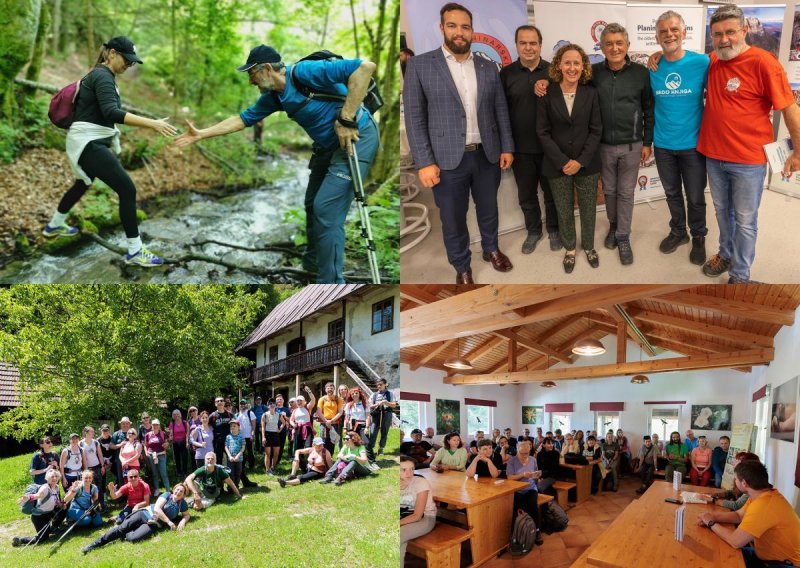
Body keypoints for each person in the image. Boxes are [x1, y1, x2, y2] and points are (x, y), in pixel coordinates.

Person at [174, 45, 379, 284]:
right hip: (327, 147)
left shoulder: (305, 72)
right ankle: (312, 265)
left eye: (252, 73)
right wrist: (201, 134)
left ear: (268, 68)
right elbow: (243, 119)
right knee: (312, 204)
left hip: (357, 138)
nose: (250, 81)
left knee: (326, 209)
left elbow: (365, 68)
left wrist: (346, 117)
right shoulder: (274, 97)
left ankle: (330, 283)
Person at [403, 2, 515, 284]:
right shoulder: (420, 65)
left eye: (465, 26)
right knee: (453, 218)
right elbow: (415, 118)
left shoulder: (488, 66)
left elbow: (500, 109)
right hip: (446, 160)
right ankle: (461, 265)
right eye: (452, 25)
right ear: (442, 28)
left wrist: (506, 147)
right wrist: (425, 162)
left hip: (486, 155)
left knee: (489, 208)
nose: (459, 32)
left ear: (472, 31)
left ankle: (491, 249)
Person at [42, 36, 176, 266]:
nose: (129, 65)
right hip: (89, 143)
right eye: (127, 59)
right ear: (112, 53)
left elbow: (104, 112)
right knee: (127, 189)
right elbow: (112, 112)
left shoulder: (101, 75)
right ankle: (135, 251)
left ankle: (54, 225)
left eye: (132, 63)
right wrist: (152, 123)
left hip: (89, 142)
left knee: (83, 183)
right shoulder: (102, 76)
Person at [695, 5, 800, 282]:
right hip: (713, 155)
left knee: (745, 220)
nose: (723, 39)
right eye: (717, 34)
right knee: (721, 212)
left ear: (745, 30)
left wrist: (799, 152)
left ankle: (740, 274)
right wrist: (658, 56)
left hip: (748, 160)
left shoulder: (764, 62)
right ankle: (726, 254)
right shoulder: (713, 61)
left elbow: (789, 108)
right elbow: (681, 62)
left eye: (730, 32)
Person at [650, 10, 709, 265]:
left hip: (693, 145)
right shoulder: (652, 67)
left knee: (695, 197)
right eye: (663, 31)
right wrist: (655, 57)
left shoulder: (702, 62)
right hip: (663, 144)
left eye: (674, 29)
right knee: (672, 193)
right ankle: (678, 232)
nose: (669, 34)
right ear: (657, 36)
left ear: (684, 33)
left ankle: (698, 236)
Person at [537, 43, 602, 273]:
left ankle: (589, 246)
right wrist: (563, 161)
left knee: (588, 208)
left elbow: (596, 130)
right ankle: (570, 249)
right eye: (567, 62)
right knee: (564, 209)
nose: (572, 67)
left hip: (587, 163)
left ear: (583, 66)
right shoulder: (547, 93)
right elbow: (542, 132)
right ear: (559, 65)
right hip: (557, 165)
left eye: (576, 63)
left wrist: (580, 161)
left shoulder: (591, 92)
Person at [592, 23, 654, 265]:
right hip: (603, 145)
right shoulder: (593, 72)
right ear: (602, 46)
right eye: (609, 43)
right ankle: (613, 226)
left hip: (632, 145)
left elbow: (649, 109)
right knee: (609, 191)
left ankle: (623, 236)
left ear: (627, 45)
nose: (614, 47)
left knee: (626, 192)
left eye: (619, 43)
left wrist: (647, 141)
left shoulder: (641, 73)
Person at [500, 24, 560, 255]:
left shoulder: (554, 71)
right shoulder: (505, 74)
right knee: (526, 196)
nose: (528, 47)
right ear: (516, 45)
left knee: (553, 194)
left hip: (550, 148)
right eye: (523, 43)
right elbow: (501, 112)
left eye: (533, 43)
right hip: (520, 150)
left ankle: (554, 229)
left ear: (540, 45)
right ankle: (534, 231)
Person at [697, 460, 800, 567]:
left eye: (736, 479)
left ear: (744, 483)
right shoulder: (761, 494)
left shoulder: (764, 505)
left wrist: (710, 523)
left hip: (784, 564)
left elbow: (735, 541)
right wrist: (711, 516)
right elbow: (738, 515)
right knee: (718, 552)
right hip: (766, 557)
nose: (734, 481)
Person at [82, 483, 190, 554]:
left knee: (134, 538)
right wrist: (169, 522)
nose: (178, 492)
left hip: (154, 524)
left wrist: (183, 521)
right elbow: (157, 508)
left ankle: (125, 534)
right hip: (144, 514)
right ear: (174, 489)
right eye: (177, 489)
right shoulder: (167, 494)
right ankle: (93, 545)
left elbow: (187, 515)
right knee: (120, 529)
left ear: (184, 495)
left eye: (181, 491)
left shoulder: (182, 503)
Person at [12, 469, 67, 547]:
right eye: (52, 477)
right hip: (39, 517)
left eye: (56, 476)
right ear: (47, 478)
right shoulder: (45, 488)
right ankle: (20, 540)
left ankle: (53, 527)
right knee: (43, 538)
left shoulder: (56, 487)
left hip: (49, 513)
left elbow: (56, 500)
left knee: (63, 510)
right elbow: (37, 495)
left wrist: (61, 504)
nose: (54, 478)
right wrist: (27, 497)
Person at [505, 440, 545, 546]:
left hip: (531, 488)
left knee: (533, 506)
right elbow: (509, 478)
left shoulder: (532, 459)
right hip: (517, 490)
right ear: (517, 450)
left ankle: (537, 531)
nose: (525, 455)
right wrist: (523, 474)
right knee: (514, 508)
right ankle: (516, 533)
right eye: (522, 453)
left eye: (527, 453)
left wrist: (537, 477)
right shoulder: (512, 461)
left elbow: (535, 474)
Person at [400, 455, 437, 565]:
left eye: (412, 469)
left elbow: (417, 515)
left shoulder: (420, 482)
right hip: (403, 516)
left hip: (424, 518)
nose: (409, 473)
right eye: (403, 470)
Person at [290, 387, 318, 470]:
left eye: (300, 400)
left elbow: (313, 400)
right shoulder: (295, 411)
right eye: (297, 401)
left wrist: (309, 391)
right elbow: (291, 420)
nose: (299, 402)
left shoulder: (307, 408)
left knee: (308, 446)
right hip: (298, 429)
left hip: (307, 429)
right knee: (298, 448)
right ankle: (303, 466)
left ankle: (311, 464)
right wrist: (293, 425)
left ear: (304, 401)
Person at [367, 378, 396, 457]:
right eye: (378, 385)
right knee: (373, 431)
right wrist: (377, 405)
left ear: (385, 384)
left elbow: (394, 405)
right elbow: (369, 405)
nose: (379, 386)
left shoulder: (390, 394)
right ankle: (371, 448)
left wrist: (386, 402)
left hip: (387, 414)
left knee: (384, 432)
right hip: (376, 414)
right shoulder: (374, 394)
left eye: (381, 384)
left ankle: (381, 449)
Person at [80, 425, 105, 509]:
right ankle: (93, 507)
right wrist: (86, 470)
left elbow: (100, 455)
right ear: (86, 433)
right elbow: (83, 458)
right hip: (88, 469)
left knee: (99, 487)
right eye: (91, 432)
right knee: (90, 488)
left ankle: (103, 505)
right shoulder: (81, 443)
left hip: (97, 467)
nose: (93, 433)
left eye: (93, 432)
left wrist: (102, 466)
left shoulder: (95, 442)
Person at [144, 418, 170, 497]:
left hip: (161, 455)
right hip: (152, 456)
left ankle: (168, 490)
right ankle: (157, 489)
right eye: (153, 425)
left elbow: (166, 444)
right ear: (151, 426)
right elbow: (145, 445)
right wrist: (146, 453)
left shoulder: (163, 434)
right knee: (154, 473)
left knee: (163, 473)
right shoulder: (148, 435)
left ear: (159, 426)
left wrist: (166, 446)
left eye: (157, 425)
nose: (155, 426)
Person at [317, 382, 344, 455]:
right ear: (325, 389)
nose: (330, 390)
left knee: (332, 440)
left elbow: (340, 412)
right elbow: (319, 412)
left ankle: (330, 457)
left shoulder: (338, 399)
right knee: (323, 440)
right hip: (324, 423)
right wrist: (326, 421)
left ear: (334, 389)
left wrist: (331, 420)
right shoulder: (322, 399)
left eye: (331, 388)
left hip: (334, 423)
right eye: (328, 388)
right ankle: (323, 457)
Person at [209, 396, 233, 466]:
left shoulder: (230, 415)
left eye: (221, 400)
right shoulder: (212, 416)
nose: (220, 402)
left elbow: (236, 427)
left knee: (232, 458)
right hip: (217, 442)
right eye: (217, 401)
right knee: (218, 461)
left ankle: (235, 476)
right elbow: (205, 426)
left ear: (224, 403)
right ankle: (219, 476)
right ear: (215, 404)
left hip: (229, 441)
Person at [236, 400, 257, 475]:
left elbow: (254, 424)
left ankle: (252, 466)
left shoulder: (250, 413)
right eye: (241, 404)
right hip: (240, 436)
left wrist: (252, 433)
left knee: (250, 451)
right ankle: (243, 466)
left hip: (248, 436)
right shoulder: (238, 414)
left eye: (244, 404)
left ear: (246, 405)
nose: (242, 405)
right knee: (242, 452)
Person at [261, 400, 282, 475]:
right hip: (267, 434)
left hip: (275, 434)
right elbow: (263, 427)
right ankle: (267, 470)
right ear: (268, 406)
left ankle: (273, 468)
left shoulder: (278, 414)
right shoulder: (265, 415)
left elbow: (284, 423)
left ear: (275, 405)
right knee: (268, 454)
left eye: (273, 403)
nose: (272, 405)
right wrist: (263, 437)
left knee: (276, 453)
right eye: (270, 404)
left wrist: (280, 429)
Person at [167, 409, 190, 479]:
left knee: (184, 458)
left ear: (180, 414)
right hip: (175, 443)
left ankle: (185, 472)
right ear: (173, 416)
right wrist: (170, 437)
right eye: (174, 415)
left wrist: (187, 442)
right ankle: (179, 472)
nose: (176, 416)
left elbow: (187, 433)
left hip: (183, 442)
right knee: (177, 458)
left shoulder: (185, 423)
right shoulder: (172, 424)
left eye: (177, 414)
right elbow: (171, 434)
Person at [110, 417, 132, 485]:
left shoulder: (132, 433)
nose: (125, 425)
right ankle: (122, 492)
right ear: (121, 424)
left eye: (127, 423)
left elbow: (138, 444)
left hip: (131, 458)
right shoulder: (116, 434)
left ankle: (131, 491)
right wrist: (120, 445)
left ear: (129, 424)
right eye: (123, 423)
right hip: (119, 458)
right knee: (120, 475)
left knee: (131, 474)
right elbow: (111, 446)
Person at [225, 419, 245, 489]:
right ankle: (230, 488)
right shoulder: (228, 437)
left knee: (238, 473)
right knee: (230, 474)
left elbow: (243, 447)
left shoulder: (241, 437)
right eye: (231, 426)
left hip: (239, 459)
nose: (232, 427)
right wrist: (229, 456)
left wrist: (237, 456)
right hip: (230, 459)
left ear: (238, 427)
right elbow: (226, 447)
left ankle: (236, 486)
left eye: (234, 426)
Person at [275, 394, 290, 465]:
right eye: (278, 399)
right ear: (276, 401)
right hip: (274, 430)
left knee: (281, 446)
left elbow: (290, 420)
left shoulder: (286, 409)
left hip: (283, 430)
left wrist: (285, 416)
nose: (279, 401)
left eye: (280, 399)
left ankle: (278, 460)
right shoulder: (274, 409)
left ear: (283, 401)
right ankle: (273, 460)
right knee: (274, 446)